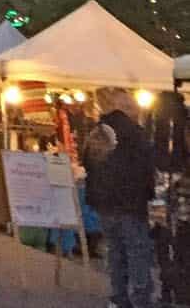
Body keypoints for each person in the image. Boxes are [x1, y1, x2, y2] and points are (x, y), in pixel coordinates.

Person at [84, 87, 157, 308]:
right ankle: (140, 299)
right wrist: (148, 195)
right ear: (125, 107)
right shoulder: (135, 133)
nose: (136, 109)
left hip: (104, 204)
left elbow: (88, 163)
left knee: (115, 251)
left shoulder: (97, 131)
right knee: (137, 252)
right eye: (131, 105)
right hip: (131, 204)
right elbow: (146, 168)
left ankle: (118, 297)